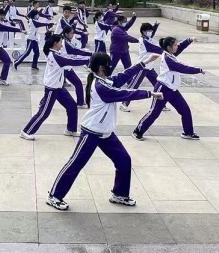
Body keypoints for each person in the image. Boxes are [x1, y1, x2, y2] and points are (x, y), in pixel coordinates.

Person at [46, 52, 161, 211]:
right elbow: (122, 93)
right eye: (108, 64)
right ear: (101, 67)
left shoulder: (104, 81)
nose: (110, 66)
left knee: (124, 161)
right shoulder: (101, 86)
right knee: (75, 164)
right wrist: (149, 93)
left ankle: (119, 194)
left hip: (106, 133)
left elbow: (123, 76)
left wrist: (145, 62)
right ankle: (54, 196)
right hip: (91, 132)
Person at [20, 33, 91, 140]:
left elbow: (71, 57)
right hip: (52, 89)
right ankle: (26, 131)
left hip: (59, 87)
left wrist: (88, 56)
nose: (62, 45)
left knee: (72, 106)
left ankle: (71, 130)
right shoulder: (55, 56)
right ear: (55, 43)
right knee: (44, 113)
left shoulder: (56, 53)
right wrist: (89, 59)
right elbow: (72, 60)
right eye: (60, 42)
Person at [133, 36, 204, 141]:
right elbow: (183, 68)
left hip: (172, 90)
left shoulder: (171, 54)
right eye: (175, 45)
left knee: (185, 110)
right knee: (154, 112)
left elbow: (181, 46)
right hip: (162, 89)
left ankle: (188, 133)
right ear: (169, 47)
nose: (177, 46)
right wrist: (198, 70)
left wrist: (190, 40)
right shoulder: (168, 59)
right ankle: (137, 131)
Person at [122, 22, 161, 112]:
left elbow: (152, 34)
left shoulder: (148, 38)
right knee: (133, 86)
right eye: (149, 31)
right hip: (142, 67)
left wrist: (155, 26)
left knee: (158, 85)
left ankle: (161, 104)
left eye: (151, 30)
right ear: (143, 32)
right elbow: (153, 48)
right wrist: (166, 50)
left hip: (150, 67)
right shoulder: (143, 41)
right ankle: (124, 103)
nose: (150, 32)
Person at [61, 26, 91, 108]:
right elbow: (75, 51)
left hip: (68, 68)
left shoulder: (68, 41)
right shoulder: (65, 43)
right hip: (63, 69)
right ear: (66, 34)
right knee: (56, 88)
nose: (73, 35)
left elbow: (75, 51)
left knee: (78, 84)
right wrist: (89, 54)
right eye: (71, 33)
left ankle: (80, 103)